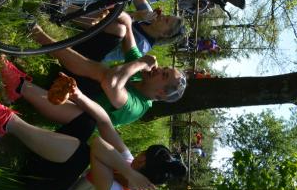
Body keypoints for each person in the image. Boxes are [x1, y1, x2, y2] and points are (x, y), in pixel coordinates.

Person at [0, 82, 186, 190]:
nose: (137, 157)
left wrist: (126, 170)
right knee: (87, 121)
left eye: (141, 159)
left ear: (142, 166)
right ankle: (20, 86)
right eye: (142, 154)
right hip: (49, 186)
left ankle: (5, 122)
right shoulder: (129, 165)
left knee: (81, 155)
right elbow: (104, 123)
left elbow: (97, 145)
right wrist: (78, 95)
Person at [29, 14, 187, 126]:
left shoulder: (137, 107)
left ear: (161, 92)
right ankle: (62, 11)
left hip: (70, 103)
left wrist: (140, 63)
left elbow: (111, 83)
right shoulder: (144, 77)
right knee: (118, 30)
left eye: (164, 75)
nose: (158, 69)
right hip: (79, 76)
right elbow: (130, 45)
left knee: (104, 73)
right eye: (164, 68)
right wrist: (127, 20)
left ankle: (36, 33)